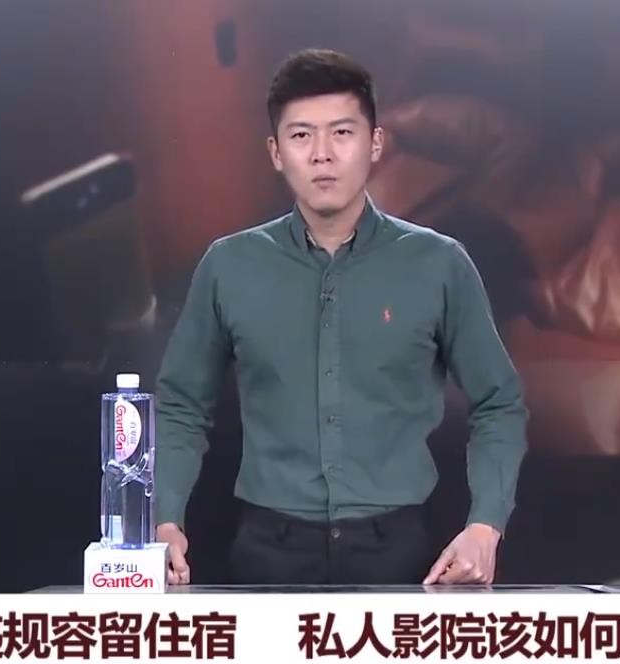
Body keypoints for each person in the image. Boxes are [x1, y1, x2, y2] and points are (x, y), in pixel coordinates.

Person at [152, 47, 528, 587]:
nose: (322, 155)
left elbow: (500, 402)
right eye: (301, 135)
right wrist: (165, 519)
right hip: (268, 553)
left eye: (342, 133)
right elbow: (181, 404)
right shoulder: (229, 265)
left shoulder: (439, 264)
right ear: (276, 152)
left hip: (401, 554)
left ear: (375, 143)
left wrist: (485, 527)